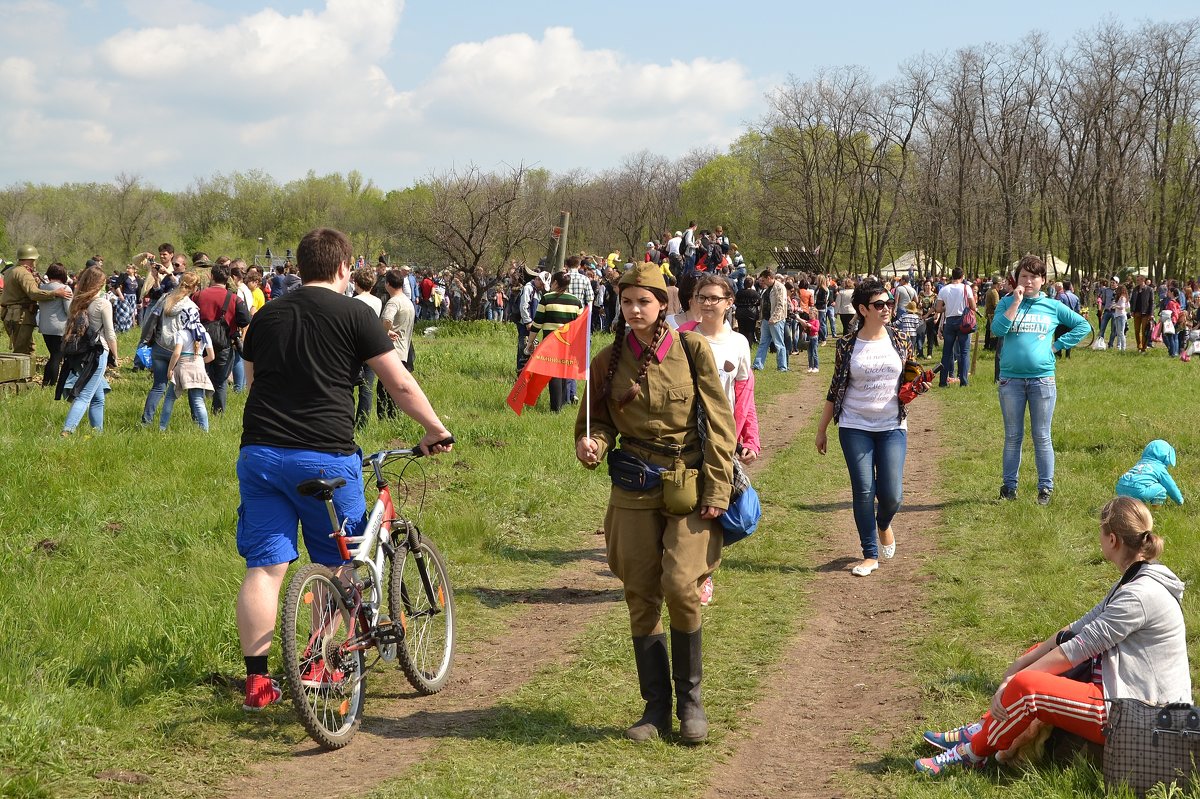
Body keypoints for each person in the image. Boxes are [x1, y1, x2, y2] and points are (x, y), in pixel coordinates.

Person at [234, 227, 453, 711]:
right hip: (325, 454)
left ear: (301, 266)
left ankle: (258, 683)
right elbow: (398, 383)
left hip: (261, 454)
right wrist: (436, 428)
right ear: (341, 267)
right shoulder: (357, 312)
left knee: (265, 570)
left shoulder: (267, 316)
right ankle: (319, 663)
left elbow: (251, 385)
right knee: (342, 565)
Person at [574, 263, 734, 744]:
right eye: (626, 302)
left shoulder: (692, 349)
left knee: (681, 585)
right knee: (640, 593)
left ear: (662, 305)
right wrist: (592, 444)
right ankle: (655, 708)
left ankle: (691, 702)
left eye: (643, 301)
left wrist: (717, 489)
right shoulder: (608, 358)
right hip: (632, 487)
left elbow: (719, 422)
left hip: (686, 483)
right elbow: (596, 421)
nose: (634, 310)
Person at [916, 496, 1190, 776]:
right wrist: (1021, 663)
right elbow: (1076, 630)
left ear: (1112, 540)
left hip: (1142, 715)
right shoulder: (1135, 577)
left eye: (1100, 531)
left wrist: (1012, 681)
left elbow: (1078, 649)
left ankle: (972, 753)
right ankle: (985, 727)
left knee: (1027, 688)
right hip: (1124, 693)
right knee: (1038, 659)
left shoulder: (1140, 595)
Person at [815, 278, 919, 577]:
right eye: (879, 305)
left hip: (892, 425)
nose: (887, 308)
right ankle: (869, 554)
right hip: (854, 425)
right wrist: (822, 430)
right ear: (862, 309)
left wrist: (917, 385)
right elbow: (835, 388)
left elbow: (910, 376)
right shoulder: (847, 344)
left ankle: (884, 523)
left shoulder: (899, 338)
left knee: (893, 495)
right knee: (863, 490)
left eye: (889, 303)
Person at [678, 274, 760, 608]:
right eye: (702, 297)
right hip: (682, 434)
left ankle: (702, 566)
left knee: (732, 515)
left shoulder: (739, 343)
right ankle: (694, 570)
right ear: (694, 300)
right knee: (689, 504)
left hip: (721, 437)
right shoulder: (680, 338)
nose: (708, 303)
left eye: (715, 298)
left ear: (729, 303)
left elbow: (744, 392)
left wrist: (749, 437)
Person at [991, 255, 1090, 505]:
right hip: (1010, 381)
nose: (1029, 281)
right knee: (1013, 436)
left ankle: (1045, 489)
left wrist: (1057, 346)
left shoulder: (1053, 306)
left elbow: (1082, 326)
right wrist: (1015, 302)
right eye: (1024, 276)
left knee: (1042, 436)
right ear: (1017, 279)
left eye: (1034, 277)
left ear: (1043, 280)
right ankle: (1009, 488)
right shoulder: (1006, 302)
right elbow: (997, 330)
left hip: (1042, 380)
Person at [58, 266, 118, 436]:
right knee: (84, 396)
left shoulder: (77, 302)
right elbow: (110, 334)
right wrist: (116, 355)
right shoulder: (102, 303)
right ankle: (67, 432)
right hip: (97, 353)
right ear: (101, 284)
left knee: (98, 397)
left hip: (78, 354)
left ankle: (97, 434)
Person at [142, 272, 203, 427]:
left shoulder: (164, 299)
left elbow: (151, 320)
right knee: (190, 387)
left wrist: (145, 340)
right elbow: (195, 332)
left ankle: (146, 421)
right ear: (194, 287)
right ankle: (198, 422)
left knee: (158, 386)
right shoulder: (191, 307)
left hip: (159, 346)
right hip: (179, 351)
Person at [194, 263, 251, 416]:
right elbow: (246, 319)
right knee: (220, 382)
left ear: (211, 276)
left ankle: (199, 412)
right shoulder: (233, 298)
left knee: (199, 378)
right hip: (224, 343)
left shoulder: (198, 295)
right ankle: (217, 413)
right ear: (228, 279)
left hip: (200, 344)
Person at [528, 271, 584, 413]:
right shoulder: (576, 301)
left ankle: (555, 408)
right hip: (568, 343)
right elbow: (581, 326)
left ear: (556, 283)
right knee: (564, 372)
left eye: (552, 282)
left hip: (550, 342)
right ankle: (562, 403)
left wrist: (530, 343)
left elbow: (537, 323)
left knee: (553, 374)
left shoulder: (547, 298)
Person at [159, 291, 215, 432]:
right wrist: (199, 360)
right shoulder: (204, 333)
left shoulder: (182, 333)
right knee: (198, 401)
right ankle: (205, 430)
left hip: (183, 366)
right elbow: (211, 356)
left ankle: (162, 427)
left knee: (170, 398)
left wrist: (170, 369)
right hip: (198, 367)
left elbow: (177, 353)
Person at [1, 244, 72, 354]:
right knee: (22, 351)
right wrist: (55, 293)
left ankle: (25, 371)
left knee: (27, 348)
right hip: (21, 316)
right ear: (32, 259)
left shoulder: (10, 271)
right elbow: (33, 294)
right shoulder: (24, 273)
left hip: (10, 314)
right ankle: (20, 372)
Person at [377, 269, 416, 420]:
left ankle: (384, 419)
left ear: (388, 284)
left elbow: (387, 319)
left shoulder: (393, 301)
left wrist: (384, 332)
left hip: (392, 350)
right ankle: (395, 417)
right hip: (404, 350)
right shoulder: (408, 301)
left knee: (383, 389)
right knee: (397, 390)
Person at [350, 267, 383, 430]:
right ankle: (362, 423)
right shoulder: (378, 301)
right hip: (371, 347)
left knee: (347, 386)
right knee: (367, 387)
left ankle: (348, 420)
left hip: (353, 348)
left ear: (356, 283)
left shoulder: (353, 302)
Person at [935, 267, 976, 386]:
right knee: (964, 352)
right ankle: (963, 381)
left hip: (949, 321)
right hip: (963, 322)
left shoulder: (944, 289)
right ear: (962, 276)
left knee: (947, 352)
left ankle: (943, 381)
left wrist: (947, 308)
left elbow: (938, 308)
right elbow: (972, 306)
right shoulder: (966, 287)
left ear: (951, 276)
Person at [36, 262, 71, 388]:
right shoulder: (65, 289)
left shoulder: (42, 287)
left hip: (45, 326)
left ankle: (46, 382)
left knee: (53, 355)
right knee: (57, 356)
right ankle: (51, 384)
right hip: (60, 327)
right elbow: (68, 310)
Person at [752, 270, 789, 372]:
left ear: (769, 278)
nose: (762, 282)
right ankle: (757, 365)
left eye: (764, 280)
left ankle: (782, 367)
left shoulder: (780, 288)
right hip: (766, 320)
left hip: (776, 320)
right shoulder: (767, 289)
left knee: (779, 344)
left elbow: (781, 305)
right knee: (763, 343)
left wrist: (774, 317)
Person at [1131, 275, 1155, 352]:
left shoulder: (1149, 289)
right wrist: (1132, 311)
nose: (1137, 281)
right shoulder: (1135, 289)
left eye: (1138, 280)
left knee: (1144, 331)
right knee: (1136, 331)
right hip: (1136, 313)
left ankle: (1144, 348)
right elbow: (1132, 301)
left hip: (1145, 313)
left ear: (1143, 280)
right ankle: (1139, 346)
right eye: (1137, 280)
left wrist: (1151, 313)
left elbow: (1151, 302)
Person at [1111, 285, 1129, 351]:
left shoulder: (1122, 298)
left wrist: (1115, 306)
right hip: (1118, 315)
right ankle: (1119, 347)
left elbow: (1122, 307)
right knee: (1118, 332)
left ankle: (1123, 348)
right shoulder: (1123, 297)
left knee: (1121, 332)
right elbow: (1128, 306)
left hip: (1121, 316)